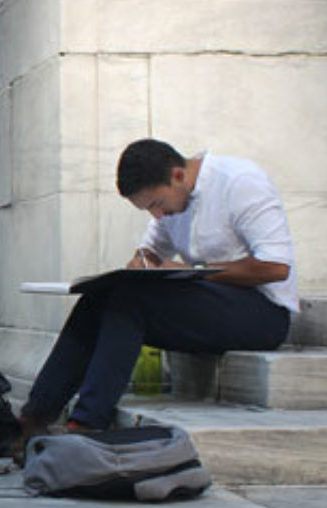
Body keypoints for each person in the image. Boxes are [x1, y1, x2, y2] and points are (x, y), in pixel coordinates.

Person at [19, 138, 298, 442]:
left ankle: (87, 424)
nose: (157, 216)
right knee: (99, 297)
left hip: (263, 313)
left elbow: (275, 267)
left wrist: (196, 273)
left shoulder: (241, 182)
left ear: (178, 176)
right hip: (211, 302)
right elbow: (150, 250)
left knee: (131, 301)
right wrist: (142, 263)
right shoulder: (172, 202)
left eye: (156, 205)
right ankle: (32, 419)